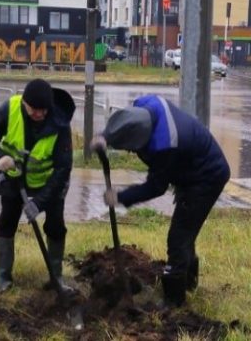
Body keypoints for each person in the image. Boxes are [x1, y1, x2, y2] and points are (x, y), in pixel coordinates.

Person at [90, 94, 231, 307]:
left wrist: (120, 197)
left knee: (179, 237)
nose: (130, 152)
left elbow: (155, 187)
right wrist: (105, 136)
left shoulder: (165, 145)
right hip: (191, 169)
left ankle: (174, 301)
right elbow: (126, 121)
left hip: (207, 177)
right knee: (186, 232)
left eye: (132, 149)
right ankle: (189, 282)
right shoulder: (145, 105)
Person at [0, 79, 75, 294]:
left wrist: (38, 203)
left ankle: (56, 278)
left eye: (43, 110)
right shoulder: (10, 109)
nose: (39, 114)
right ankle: (3, 279)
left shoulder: (60, 123)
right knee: (7, 221)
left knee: (56, 226)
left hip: (49, 181)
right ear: (24, 103)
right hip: (15, 177)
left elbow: (62, 169)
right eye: (34, 110)